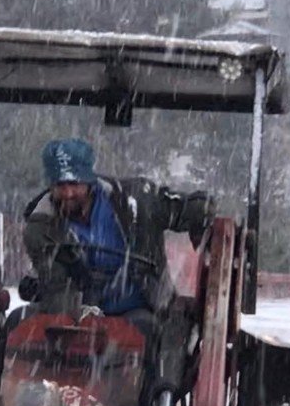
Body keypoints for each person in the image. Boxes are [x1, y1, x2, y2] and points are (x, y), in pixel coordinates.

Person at [21, 138, 214, 327]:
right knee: (21, 322)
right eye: (60, 185)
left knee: (144, 330)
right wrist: (79, 317)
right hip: (75, 311)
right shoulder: (40, 228)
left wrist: (201, 214)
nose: (68, 193)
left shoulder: (137, 201)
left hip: (142, 306)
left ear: (89, 181)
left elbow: (187, 209)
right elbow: (57, 287)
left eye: (74, 184)